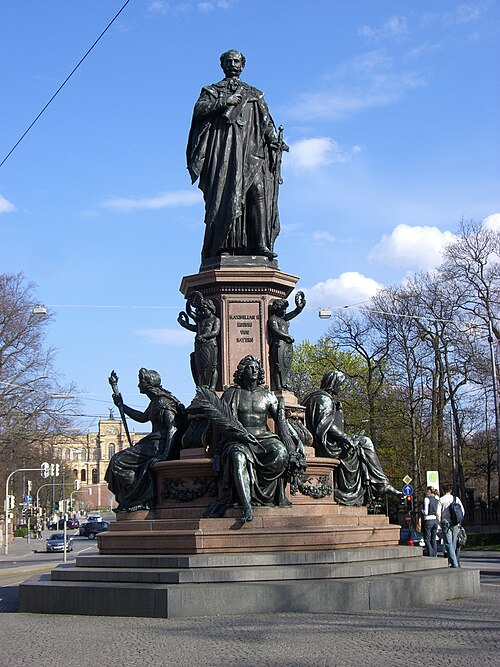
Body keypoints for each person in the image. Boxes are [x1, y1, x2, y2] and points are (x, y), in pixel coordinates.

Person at [187, 49, 288, 263]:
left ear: (242, 65)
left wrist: (274, 141)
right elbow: (199, 110)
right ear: (222, 65)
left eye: (237, 61)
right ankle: (223, 245)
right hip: (225, 154)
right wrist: (226, 101)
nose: (233, 64)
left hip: (252, 154)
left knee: (258, 193)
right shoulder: (212, 91)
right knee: (226, 197)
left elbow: (266, 122)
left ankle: (260, 243)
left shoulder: (255, 93)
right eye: (229, 61)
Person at [192, 355, 299, 522]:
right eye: (250, 367)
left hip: (264, 437)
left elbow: (281, 422)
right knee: (238, 457)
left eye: (257, 368)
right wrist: (241, 435)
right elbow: (223, 425)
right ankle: (247, 505)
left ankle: (266, 495)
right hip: (237, 439)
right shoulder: (231, 394)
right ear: (242, 371)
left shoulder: (268, 395)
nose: (254, 370)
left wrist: (295, 440)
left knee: (280, 452)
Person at [304, 370, 401, 506]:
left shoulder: (316, 397)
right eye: (340, 384)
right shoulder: (324, 399)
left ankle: (381, 484)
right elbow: (326, 425)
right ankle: (380, 484)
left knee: (362, 443)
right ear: (334, 382)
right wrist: (347, 438)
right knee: (364, 443)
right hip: (325, 445)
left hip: (322, 441)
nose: (341, 387)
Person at [105, 368, 186, 513]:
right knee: (116, 460)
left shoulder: (163, 402)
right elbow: (142, 418)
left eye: (140, 382)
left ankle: (138, 498)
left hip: (159, 445)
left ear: (147, 384)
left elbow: (172, 428)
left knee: (117, 462)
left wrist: (165, 455)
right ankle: (134, 498)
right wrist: (122, 406)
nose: (138, 386)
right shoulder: (155, 402)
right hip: (153, 443)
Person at [178, 290, 220, 390]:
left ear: (211, 309)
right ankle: (202, 387)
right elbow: (189, 313)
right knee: (200, 367)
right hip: (200, 346)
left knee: (212, 366)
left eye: (205, 309)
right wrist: (189, 302)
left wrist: (204, 336)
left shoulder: (215, 319)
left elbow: (215, 332)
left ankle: (212, 387)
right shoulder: (201, 320)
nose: (203, 311)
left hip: (210, 345)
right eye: (201, 309)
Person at [268, 292, 306, 390]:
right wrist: (286, 336)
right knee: (278, 366)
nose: (284, 311)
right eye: (283, 309)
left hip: (285, 345)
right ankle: (278, 386)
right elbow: (275, 331)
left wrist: (300, 307)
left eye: (285, 309)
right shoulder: (273, 319)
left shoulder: (283, 319)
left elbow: (294, 313)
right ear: (277, 308)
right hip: (278, 345)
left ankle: (283, 383)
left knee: (284, 366)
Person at [437, 483, 465, 568]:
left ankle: (454, 563)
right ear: (451, 490)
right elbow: (462, 511)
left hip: (445, 522)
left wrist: (439, 524)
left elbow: (438, 514)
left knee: (448, 543)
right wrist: (459, 521)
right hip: (455, 523)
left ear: (443, 490)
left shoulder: (441, 500)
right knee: (453, 543)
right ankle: (453, 560)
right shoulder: (456, 499)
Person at [421, 486, 439, 556]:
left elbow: (426, 512)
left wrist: (421, 510)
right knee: (433, 539)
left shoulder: (426, 499)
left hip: (428, 520)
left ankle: (431, 554)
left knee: (427, 539)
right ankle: (435, 554)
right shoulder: (437, 498)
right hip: (435, 520)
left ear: (428, 491)